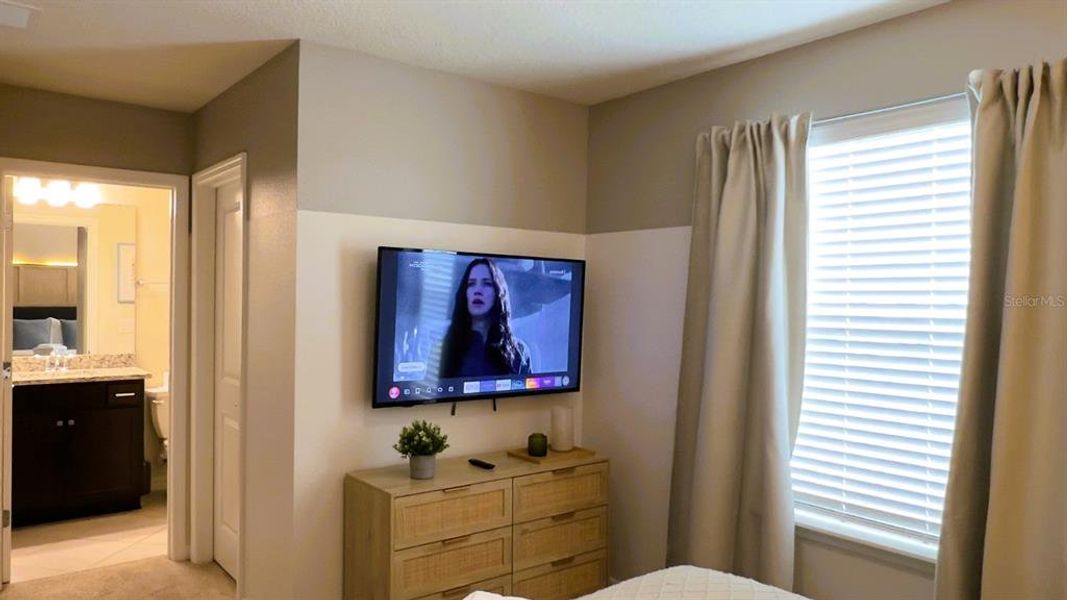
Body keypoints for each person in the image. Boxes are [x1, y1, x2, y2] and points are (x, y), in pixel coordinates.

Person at [439, 257, 531, 378]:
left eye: (486, 283)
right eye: (471, 284)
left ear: (498, 293)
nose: (477, 290)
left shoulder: (519, 351)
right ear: (465, 293)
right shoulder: (443, 350)